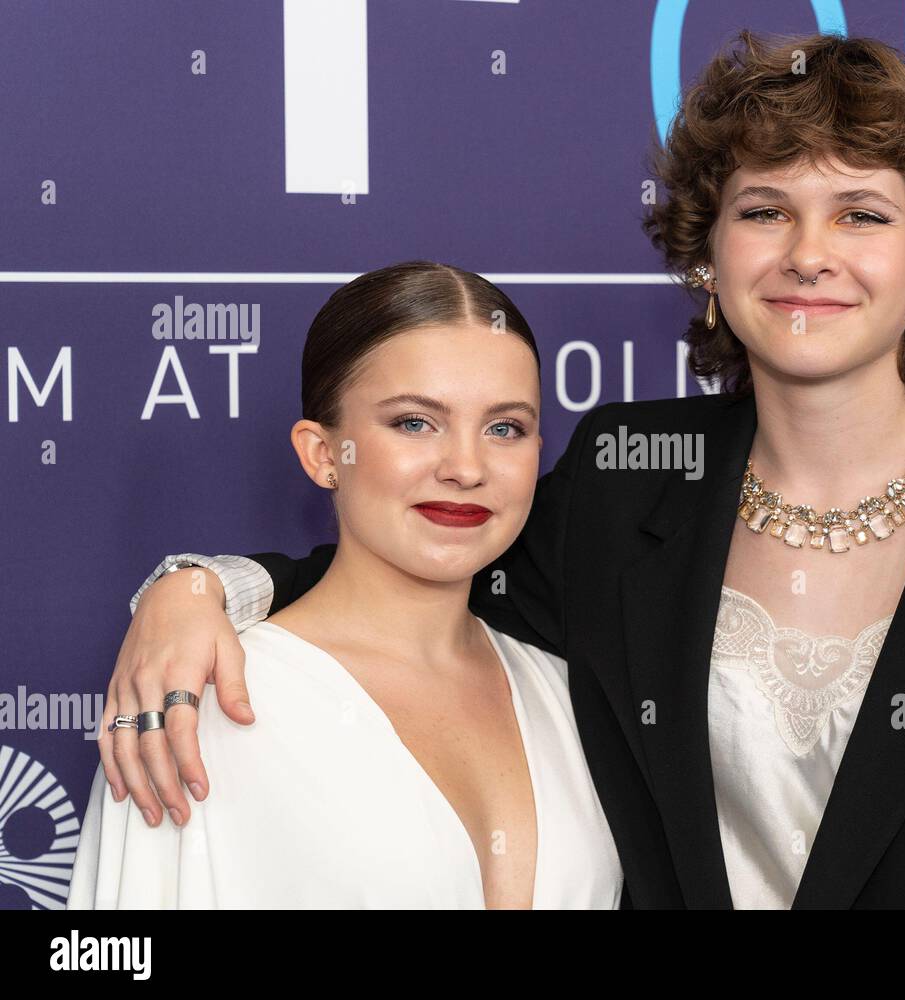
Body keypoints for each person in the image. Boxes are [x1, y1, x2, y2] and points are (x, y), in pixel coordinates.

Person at [96, 31, 905, 908]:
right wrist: (200, 588)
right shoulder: (624, 486)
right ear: (709, 261)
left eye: (859, 213)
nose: (806, 253)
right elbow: (416, 582)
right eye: (763, 211)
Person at [68, 262, 623, 908]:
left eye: (505, 428)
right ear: (322, 453)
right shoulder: (205, 702)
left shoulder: (567, 696)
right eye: (415, 422)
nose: (467, 468)